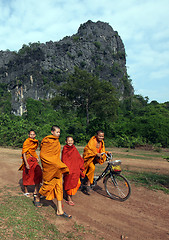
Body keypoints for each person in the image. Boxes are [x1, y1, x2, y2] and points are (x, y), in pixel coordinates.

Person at [39, 125, 72, 219]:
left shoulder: (57, 141)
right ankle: (37, 196)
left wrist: (57, 164)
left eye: (59, 132)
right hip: (50, 169)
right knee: (47, 187)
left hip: (56, 169)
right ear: (52, 132)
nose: (58, 134)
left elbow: (56, 155)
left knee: (59, 188)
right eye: (57, 132)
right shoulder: (47, 140)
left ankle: (59, 210)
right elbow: (43, 155)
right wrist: (55, 164)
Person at [19, 130, 42, 207]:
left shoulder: (35, 141)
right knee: (27, 174)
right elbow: (24, 153)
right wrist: (26, 163)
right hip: (28, 159)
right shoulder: (26, 142)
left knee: (38, 173)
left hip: (33, 159)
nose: (32, 136)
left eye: (33, 134)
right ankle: (26, 190)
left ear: (35, 135)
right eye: (31, 134)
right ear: (28, 135)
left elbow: (33, 151)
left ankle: (36, 190)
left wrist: (36, 157)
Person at [61, 136, 85, 206]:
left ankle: (66, 194)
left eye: (71, 141)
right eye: (69, 141)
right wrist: (67, 168)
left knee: (78, 183)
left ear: (73, 141)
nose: (70, 142)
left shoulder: (74, 148)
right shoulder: (65, 149)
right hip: (68, 170)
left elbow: (78, 158)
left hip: (75, 169)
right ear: (66, 142)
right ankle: (69, 199)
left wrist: (81, 166)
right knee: (69, 184)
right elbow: (64, 159)